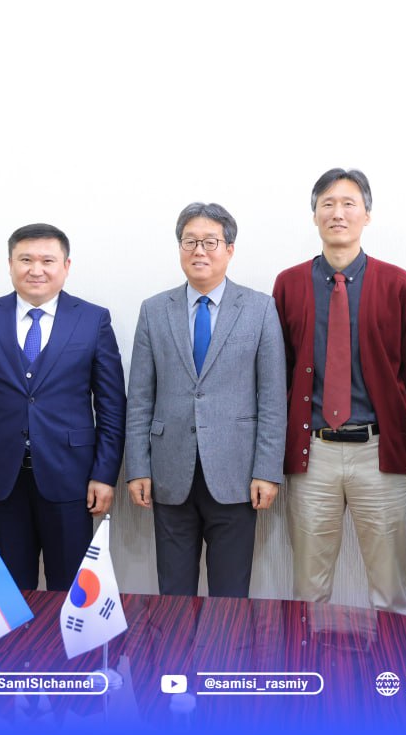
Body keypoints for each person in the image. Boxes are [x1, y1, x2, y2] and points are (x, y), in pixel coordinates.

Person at [272, 169, 406, 612]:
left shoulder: (399, 283)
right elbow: (279, 368)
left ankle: (391, 658)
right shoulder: (289, 284)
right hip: (312, 454)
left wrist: (387, 419)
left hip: (378, 452)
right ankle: (307, 658)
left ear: (367, 215)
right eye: (327, 203)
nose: (337, 213)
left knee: (390, 589)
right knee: (308, 589)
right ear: (315, 215)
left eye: (348, 203)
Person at [0, 223, 126, 591]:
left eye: (47, 260)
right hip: (0, 479)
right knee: (7, 595)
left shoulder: (93, 319)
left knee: (71, 592)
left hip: (71, 478)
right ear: (10, 264)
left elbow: (111, 405)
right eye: (25, 260)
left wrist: (104, 474)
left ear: (66, 266)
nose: (36, 269)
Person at [124, 203, 286, 598]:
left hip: (236, 474)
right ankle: (176, 645)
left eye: (210, 242)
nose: (199, 250)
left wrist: (267, 470)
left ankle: (225, 645)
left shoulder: (260, 308)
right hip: (169, 472)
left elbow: (272, 398)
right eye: (190, 242)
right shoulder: (154, 310)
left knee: (230, 597)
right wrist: (137, 468)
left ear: (229, 249)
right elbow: (140, 398)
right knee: (174, 595)